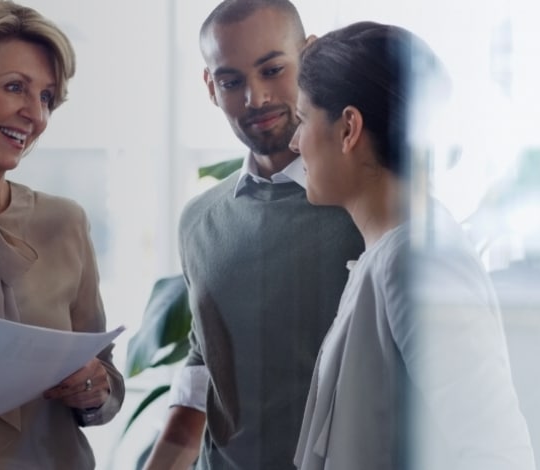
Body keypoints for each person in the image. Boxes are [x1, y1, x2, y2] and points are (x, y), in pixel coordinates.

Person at [289, 22, 536, 469]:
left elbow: (497, 454)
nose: (294, 142)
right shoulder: (388, 254)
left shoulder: (417, 260)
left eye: (303, 119)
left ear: (348, 128)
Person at [143, 1, 364, 469]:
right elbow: (202, 374)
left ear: (311, 55)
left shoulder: (364, 207)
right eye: (231, 81)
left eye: (272, 69)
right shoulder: (199, 223)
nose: (255, 98)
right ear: (211, 86)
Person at [0, 0, 124, 467]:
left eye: (46, 97)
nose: (37, 115)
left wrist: (94, 387)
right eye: (15, 88)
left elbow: (104, 376)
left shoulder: (65, 223)